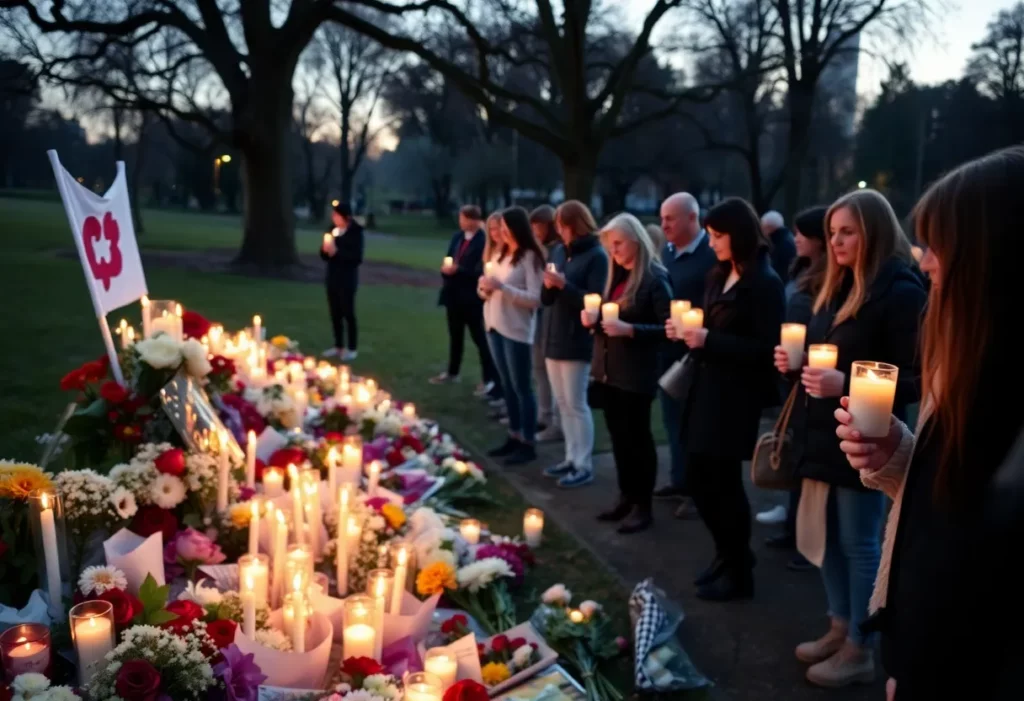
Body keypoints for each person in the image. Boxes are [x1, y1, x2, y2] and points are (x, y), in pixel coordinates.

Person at [835, 146, 1024, 699]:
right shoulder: (968, 372)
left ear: (993, 257)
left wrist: (925, 673)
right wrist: (899, 457)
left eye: (940, 241)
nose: (924, 260)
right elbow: (952, 509)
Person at [775, 189, 926, 687]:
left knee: (859, 544)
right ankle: (840, 626)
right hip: (823, 433)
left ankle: (862, 647)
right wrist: (795, 367)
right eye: (832, 232)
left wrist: (850, 382)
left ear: (874, 232)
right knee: (828, 543)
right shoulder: (834, 286)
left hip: (866, 436)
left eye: (847, 232)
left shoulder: (901, 292)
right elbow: (825, 354)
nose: (835, 241)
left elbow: (922, 376)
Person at [668, 197, 784, 601]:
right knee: (699, 480)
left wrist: (710, 340)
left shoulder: (765, 283)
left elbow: (766, 349)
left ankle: (739, 569)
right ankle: (726, 553)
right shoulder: (718, 275)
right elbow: (706, 325)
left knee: (723, 483)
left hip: (735, 398)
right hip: (705, 389)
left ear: (739, 235)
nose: (712, 242)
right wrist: (686, 333)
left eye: (718, 236)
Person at [582, 213, 671, 534]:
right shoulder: (616, 276)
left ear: (636, 240)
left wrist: (630, 329)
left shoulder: (654, 279)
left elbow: (668, 329)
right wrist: (593, 321)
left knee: (638, 441)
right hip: (610, 373)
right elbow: (609, 324)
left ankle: (642, 505)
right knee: (619, 439)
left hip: (636, 376)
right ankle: (626, 496)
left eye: (618, 243)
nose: (614, 250)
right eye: (609, 245)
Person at [758, 206, 828, 571]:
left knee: (809, 455)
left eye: (802, 233)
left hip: (812, 374)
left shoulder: (827, 278)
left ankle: (810, 539)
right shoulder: (799, 269)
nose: (795, 237)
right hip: (792, 371)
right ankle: (792, 523)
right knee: (793, 446)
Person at [652, 192, 717, 518]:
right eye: (662, 218)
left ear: (692, 218)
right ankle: (679, 480)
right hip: (668, 350)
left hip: (697, 357)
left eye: (670, 218)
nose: (663, 224)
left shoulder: (710, 256)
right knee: (672, 421)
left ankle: (696, 490)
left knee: (692, 426)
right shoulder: (667, 253)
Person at [540, 200, 609, 488]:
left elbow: (592, 300)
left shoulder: (596, 256)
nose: (559, 231)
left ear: (575, 225)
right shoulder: (559, 251)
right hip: (554, 335)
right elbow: (547, 300)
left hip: (576, 339)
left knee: (576, 403)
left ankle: (584, 464)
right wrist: (548, 286)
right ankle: (570, 457)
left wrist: (563, 285)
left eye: (563, 226)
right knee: (562, 403)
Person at [480, 207, 545, 465]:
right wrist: (484, 289)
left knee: (521, 387)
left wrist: (502, 288)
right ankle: (514, 435)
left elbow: (536, 299)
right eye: (500, 228)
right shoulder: (500, 253)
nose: (502, 232)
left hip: (516, 329)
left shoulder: (530, 257)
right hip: (494, 325)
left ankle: (527, 442)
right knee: (507, 386)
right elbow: (490, 285)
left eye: (506, 227)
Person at [430, 205, 500, 398]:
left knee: (480, 339)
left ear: (473, 220)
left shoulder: (483, 240)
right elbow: (450, 256)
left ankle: (489, 378)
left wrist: (459, 270)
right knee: (455, 335)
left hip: (472, 297)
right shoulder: (457, 237)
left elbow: (481, 269)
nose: (460, 222)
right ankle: (453, 372)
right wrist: (447, 269)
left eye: (463, 218)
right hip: (453, 294)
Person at [529, 205, 562, 441]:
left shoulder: (557, 250)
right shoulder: (540, 249)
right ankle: (544, 414)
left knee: (554, 374)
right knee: (539, 368)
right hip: (540, 315)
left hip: (552, 315)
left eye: (538, 226)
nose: (535, 231)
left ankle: (556, 423)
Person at [321, 202, 364, 360]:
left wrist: (338, 252)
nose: (333, 217)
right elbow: (325, 256)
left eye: (336, 215)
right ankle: (338, 345)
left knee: (348, 312)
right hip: (332, 277)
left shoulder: (355, 232)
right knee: (335, 312)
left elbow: (356, 258)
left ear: (345, 216)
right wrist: (325, 251)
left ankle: (352, 347)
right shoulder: (332, 231)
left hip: (347, 278)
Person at [761, 210, 797, 284]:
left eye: (762, 228)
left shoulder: (780, 244)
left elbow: (777, 269)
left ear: (768, 228)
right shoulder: (787, 239)